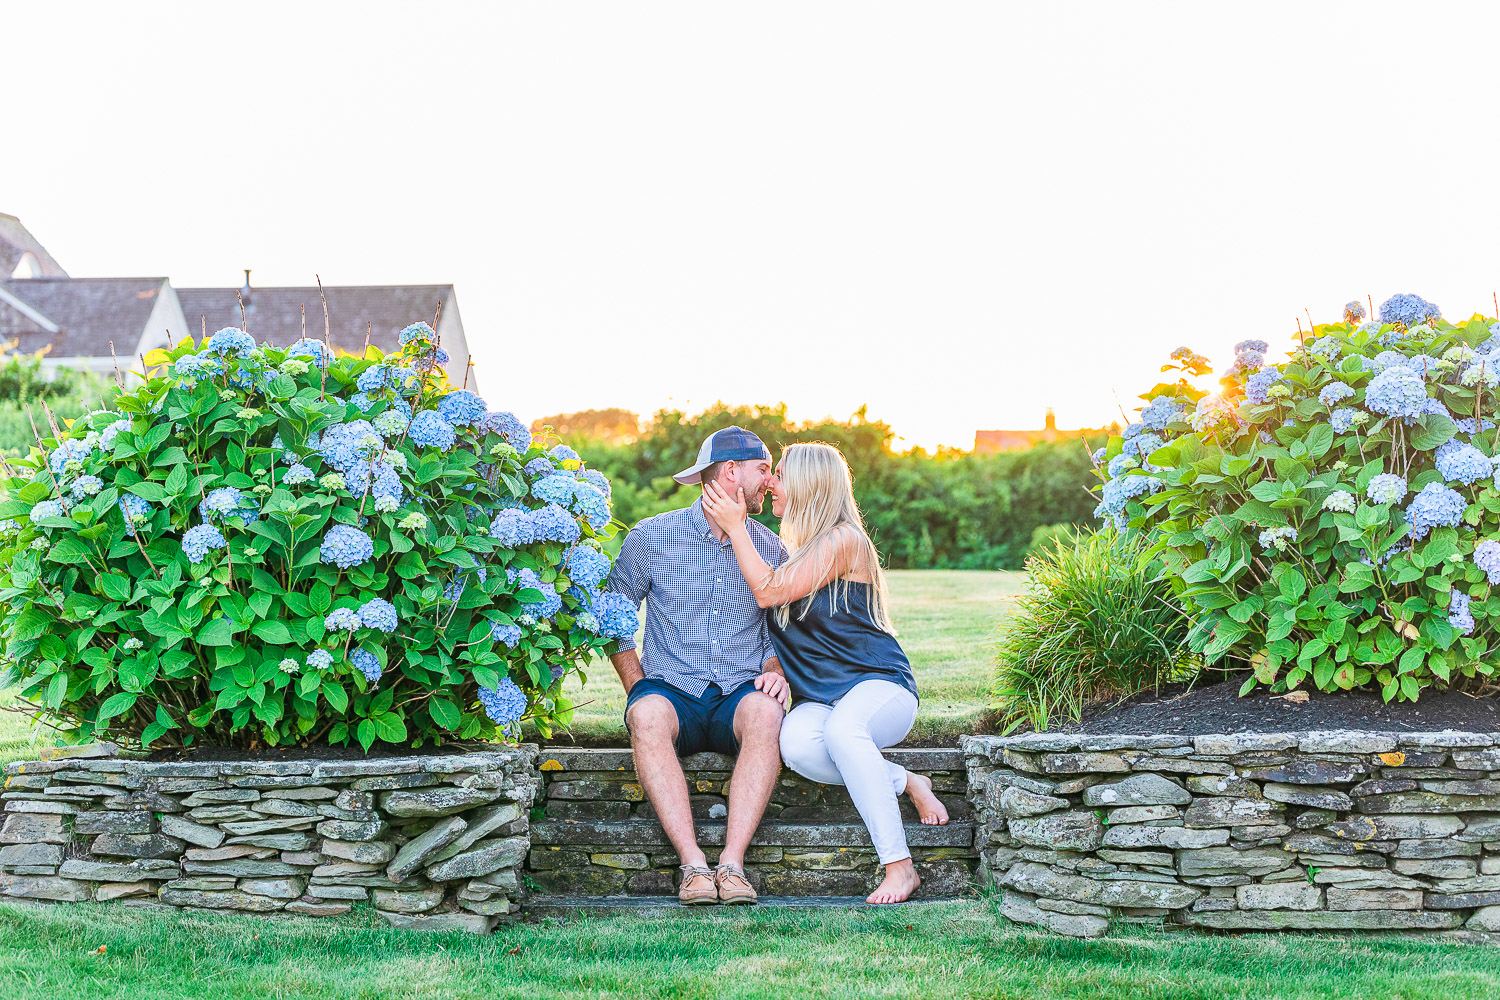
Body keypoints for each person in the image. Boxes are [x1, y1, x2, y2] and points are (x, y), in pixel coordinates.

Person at [701, 441, 948, 905]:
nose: (770, 482)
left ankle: (901, 868)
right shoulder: (795, 550)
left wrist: (736, 528)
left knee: (844, 730)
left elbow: (768, 594)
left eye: (780, 474)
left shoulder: (843, 540)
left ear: (809, 485)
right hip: (822, 699)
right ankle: (907, 781)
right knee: (796, 746)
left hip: (879, 687)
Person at [604, 426, 790, 905]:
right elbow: (612, 617)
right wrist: (637, 685)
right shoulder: (651, 536)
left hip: (738, 692)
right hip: (670, 689)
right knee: (645, 715)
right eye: (763, 469)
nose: (769, 481)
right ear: (732, 472)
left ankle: (731, 865)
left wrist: (774, 669)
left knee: (768, 714)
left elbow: (778, 631)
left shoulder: (769, 547)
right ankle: (692, 866)